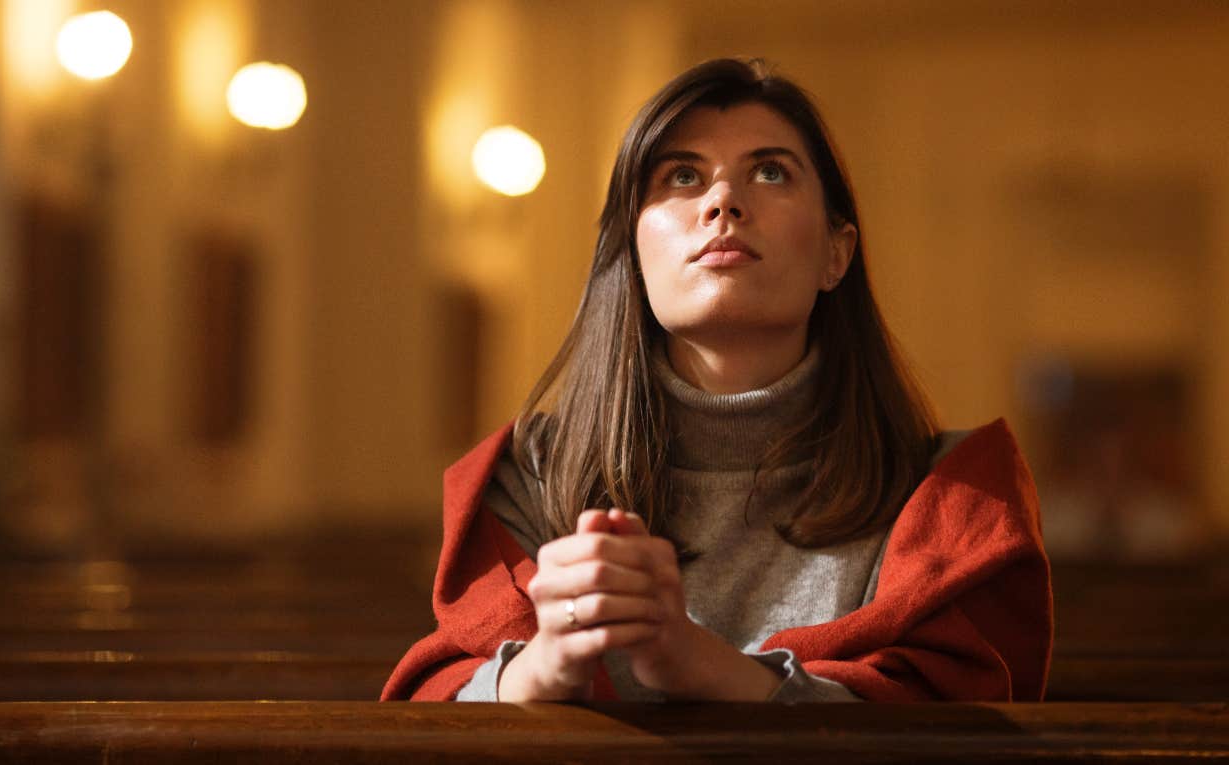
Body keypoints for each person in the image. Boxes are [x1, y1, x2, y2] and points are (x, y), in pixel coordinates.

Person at [382, 58, 1051, 703]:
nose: (723, 200)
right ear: (634, 254)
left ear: (835, 252)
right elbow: (440, 706)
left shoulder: (947, 495)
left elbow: (957, 722)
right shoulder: (529, 476)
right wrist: (543, 665)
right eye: (681, 176)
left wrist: (695, 659)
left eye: (769, 171)